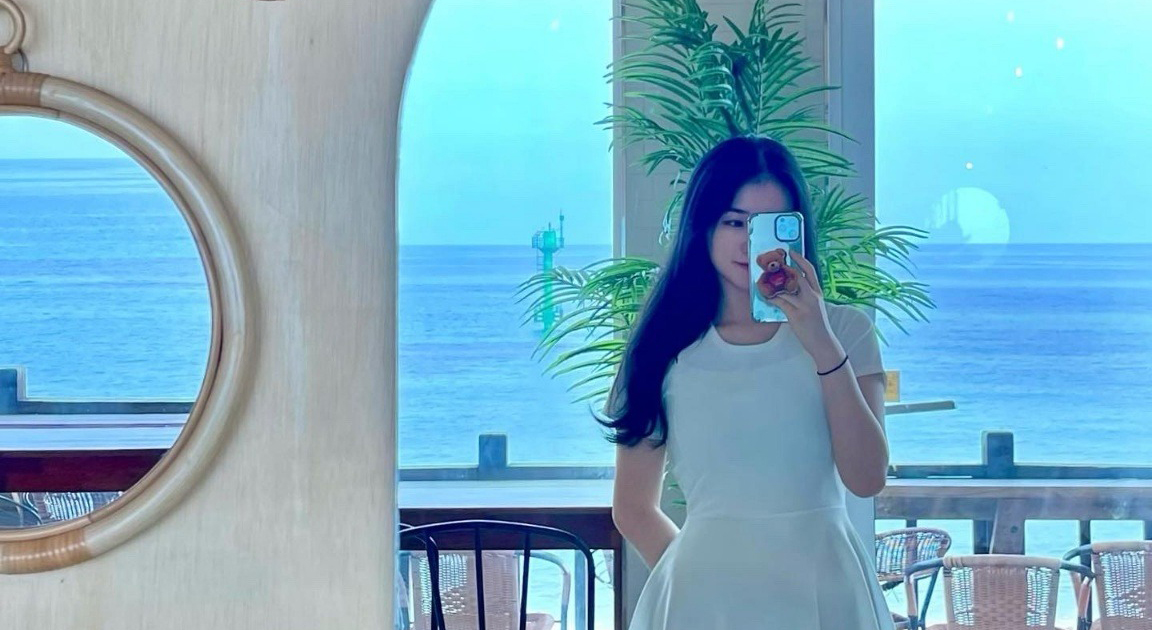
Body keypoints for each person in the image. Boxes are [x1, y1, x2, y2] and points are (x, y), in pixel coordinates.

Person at [601, 136, 893, 629]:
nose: (749, 244)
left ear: (796, 232)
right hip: (702, 601)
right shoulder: (661, 347)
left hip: (827, 588)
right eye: (735, 222)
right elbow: (632, 507)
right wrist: (693, 579)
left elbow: (867, 478)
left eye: (770, 225)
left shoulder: (846, 331)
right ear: (703, 224)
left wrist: (820, 341)